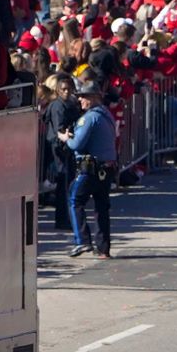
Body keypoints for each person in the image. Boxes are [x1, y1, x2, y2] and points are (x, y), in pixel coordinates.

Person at [65, 77, 115, 256]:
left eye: (83, 96)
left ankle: (82, 241)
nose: (80, 99)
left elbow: (76, 144)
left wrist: (66, 138)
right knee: (101, 206)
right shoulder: (106, 114)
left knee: (74, 199)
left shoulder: (89, 118)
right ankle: (103, 248)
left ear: (93, 98)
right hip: (106, 167)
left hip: (90, 168)